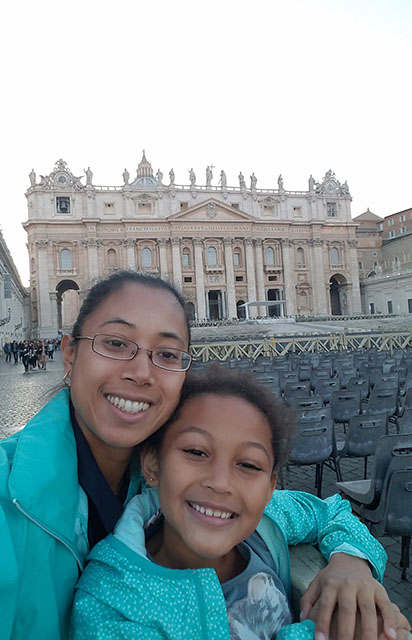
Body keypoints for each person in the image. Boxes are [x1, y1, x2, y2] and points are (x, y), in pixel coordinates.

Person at [72, 366, 410, 640]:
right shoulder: (111, 602)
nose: (220, 482)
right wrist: (321, 629)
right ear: (152, 465)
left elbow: (333, 511)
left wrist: (351, 563)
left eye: (248, 464)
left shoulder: (267, 517)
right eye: (196, 452)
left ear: (270, 488)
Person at [0, 270, 192, 639]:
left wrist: (342, 552)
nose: (141, 373)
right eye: (117, 343)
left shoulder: (184, 471)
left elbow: (285, 505)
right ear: (69, 354)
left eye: (167, 354)